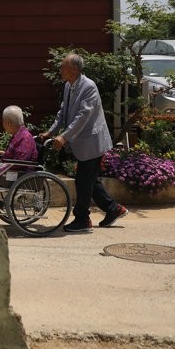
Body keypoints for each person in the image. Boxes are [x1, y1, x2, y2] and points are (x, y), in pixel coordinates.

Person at [40, 52, 127, 232]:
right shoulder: (68, 86)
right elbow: (63, 112)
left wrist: (64, 136)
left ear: (74, 69)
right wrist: (51, 131)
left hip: (92, 141)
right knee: (90, 179)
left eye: (63, 67)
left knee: (83, 180)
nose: (60, 70)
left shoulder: (89, 87)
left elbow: (83, 116)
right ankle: (113, 209)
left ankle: (82, 219)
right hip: (83, 141)